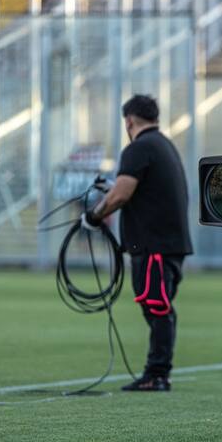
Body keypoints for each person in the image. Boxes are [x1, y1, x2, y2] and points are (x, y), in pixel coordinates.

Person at [82, 94, 193, 392]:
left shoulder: (138, 148)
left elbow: (120, 195)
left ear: (129, 121)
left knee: (157, 307)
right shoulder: (164, 146)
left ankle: (157, 374)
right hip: (169, 242)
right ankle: (157, 371)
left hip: (154, 245)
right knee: (157, 305)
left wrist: (93, 216)